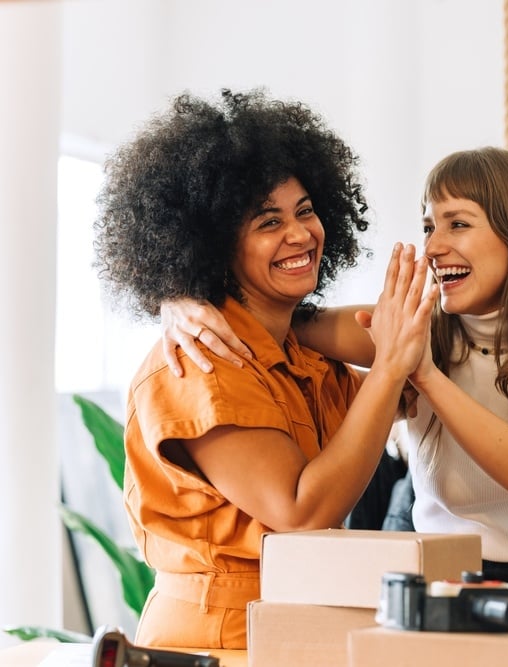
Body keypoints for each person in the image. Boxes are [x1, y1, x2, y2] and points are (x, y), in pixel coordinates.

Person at [164, 147, 508, 658]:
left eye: (458, 224)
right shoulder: (412, 327)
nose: (433, 246)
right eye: (429, 226)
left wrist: (425, 373)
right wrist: (180, 297)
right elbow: (272, 314)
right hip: (445, 584)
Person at [92, 88, 434, 649]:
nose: (299, 234)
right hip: (217, 639)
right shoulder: (199, 363)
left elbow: (412, 357)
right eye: (267, 222)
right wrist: (393, 364)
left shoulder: (296, 354)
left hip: (288, 622)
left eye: (305, 211)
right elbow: (301, 511)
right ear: (214, 246)